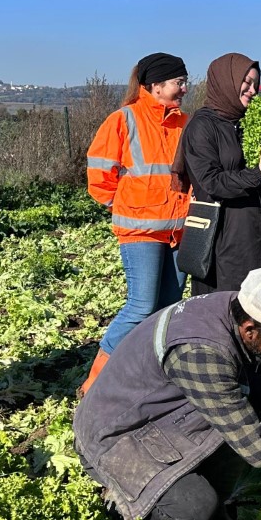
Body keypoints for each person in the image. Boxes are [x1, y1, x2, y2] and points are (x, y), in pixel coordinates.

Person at [73, 267, 261, 520]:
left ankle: (218, 511)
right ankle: (125, 505)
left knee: (260, 394)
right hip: (112, 439)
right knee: (194, 506)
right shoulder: (202, 353)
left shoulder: (233, 305)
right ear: (250, 329)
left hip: (150, 410)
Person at [82, 52, 191, 393]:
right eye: (179, 82)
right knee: (141, 306)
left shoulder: (184, 123)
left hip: (178, 231)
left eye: (184, 81)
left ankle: (147, 377)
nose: (184, 88)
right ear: (155, 86)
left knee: (167, 310)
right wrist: (124, 202)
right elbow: (99, 174)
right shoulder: (123, 119)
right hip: (140, 231)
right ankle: (95, 382)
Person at [172, 52, 261, 296]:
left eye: (256, 84)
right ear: (226, 81)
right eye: (247, 83)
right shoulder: (202, 126)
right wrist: (259, 175)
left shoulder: (252, 120)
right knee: (234, 309)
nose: (253, 91)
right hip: (228, 236)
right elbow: (211, 182)